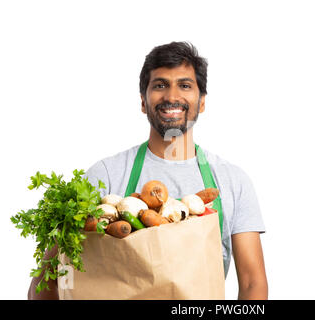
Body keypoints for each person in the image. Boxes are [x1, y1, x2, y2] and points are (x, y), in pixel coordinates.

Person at [28, 41, 268, 300]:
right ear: (143, 101)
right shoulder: (106, 175)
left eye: (185, 85)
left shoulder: (233, 181)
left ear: (202, 103)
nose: (172, 96)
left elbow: (253, 284)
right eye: (160, 85)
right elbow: (47, 278)